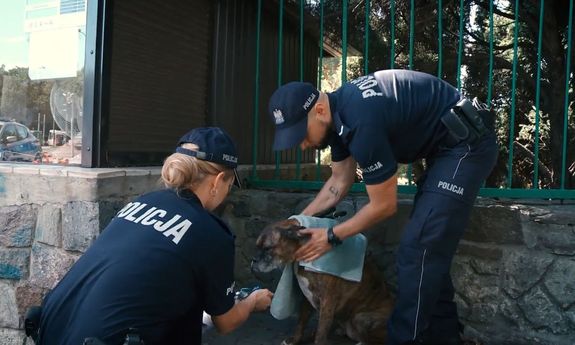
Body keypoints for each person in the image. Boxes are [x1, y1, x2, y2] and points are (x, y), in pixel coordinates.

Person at [267, 69, 498, 345]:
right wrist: (299, 222)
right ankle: (446, 337)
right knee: (428, 250)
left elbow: (385, 205)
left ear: (318, 109)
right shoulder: (339, 117)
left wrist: (331, 236)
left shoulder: (361, 121)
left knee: (418, 249)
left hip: (466, 147)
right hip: (444, 151)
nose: (302, 145)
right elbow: (338, 183)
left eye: (300, 134)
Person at [36, 127, 273, 345]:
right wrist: (252, 301)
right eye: (230, 185)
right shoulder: (211, 231)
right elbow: (226, 322)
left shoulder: (142, 202)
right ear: (219, 180)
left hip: (53, 328)